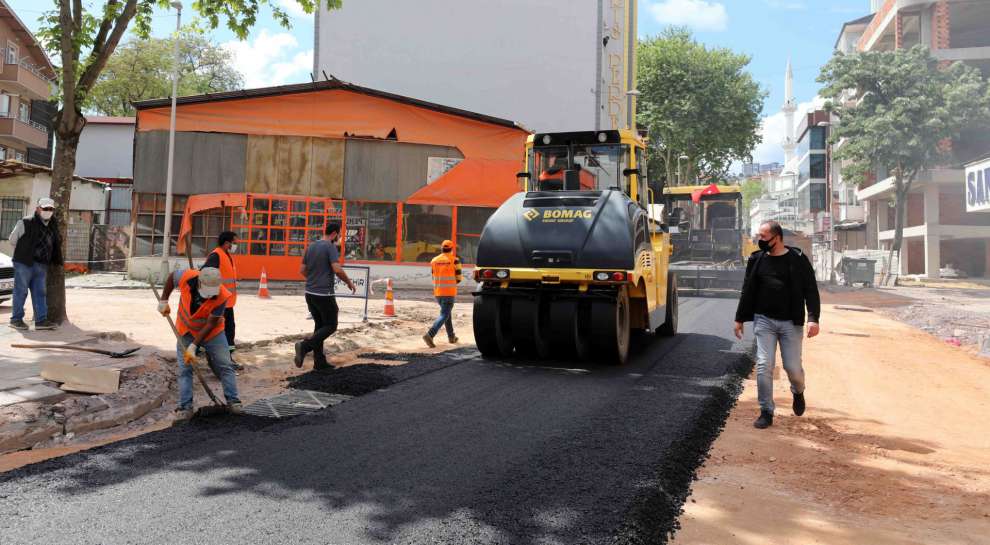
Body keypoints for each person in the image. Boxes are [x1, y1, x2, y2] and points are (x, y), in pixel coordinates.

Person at [734, 220, 820, 429]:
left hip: (791, 322)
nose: (759, 241)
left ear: (777, 238)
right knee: (764, 365)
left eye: (763, 237)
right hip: (764, 321)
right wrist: (739, 318)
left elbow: (810, 290)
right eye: (759, 236)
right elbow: (748, 290)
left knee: (793, 368)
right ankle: (766, 411)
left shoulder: (798, 260)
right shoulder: (756, 260)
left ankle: (798, 392)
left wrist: (813, 319)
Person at [158, 266, 242, 421]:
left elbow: (210, 324)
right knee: (185, 370)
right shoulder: (187, 277)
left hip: (213, 333)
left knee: (225, 365)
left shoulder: (222, 295)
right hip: (185, 331)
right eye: (208, 292)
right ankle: (185, 407)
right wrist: (164, 299)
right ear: (200, 283)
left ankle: (233, 401)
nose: (210, 296)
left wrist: (194, 346)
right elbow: (171, 277)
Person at [295, 222, 355, 370]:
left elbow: (302, 270)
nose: (340, 237)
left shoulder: (311, 246)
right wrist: (348, 282)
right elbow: (337, 269)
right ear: (334, 233)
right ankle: (304, 346)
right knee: (331, 325)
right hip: (324, 294)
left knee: (320, 327)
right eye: (340, 234)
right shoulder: (330, 246)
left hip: (310, 294)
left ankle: (319, 362)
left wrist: (314, 279)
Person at [7, 197, 62, 331]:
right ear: (38, 209)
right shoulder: (25, 222)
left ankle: (41, 321)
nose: (48, 211)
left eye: (50, 209)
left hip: (42, 265)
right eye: (45, 208)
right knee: (21, 291)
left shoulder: (53, 225)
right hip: (24, 264)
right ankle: (16, 320)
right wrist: (24, 252)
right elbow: (12, 240)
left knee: (40, 293)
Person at [202, 231, 242, 370]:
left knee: (229, 331)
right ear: (227, 243)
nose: (236, 245)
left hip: (228, 303)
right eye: (234, 243)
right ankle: (220, 362)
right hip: (220, 303)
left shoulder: (227, 255)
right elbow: (205, 273)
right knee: (220, 333)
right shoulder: (216, 255)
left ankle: (228, 360)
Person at [423, 239, 462, 348]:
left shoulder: (434, 260)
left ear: (441, 248)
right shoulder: (455, 260)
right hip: (449, 292)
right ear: (452, 249)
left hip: (438, 292)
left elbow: (433, 276)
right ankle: (430, 334)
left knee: (446, 314)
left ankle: (451, 337)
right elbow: (458, 278)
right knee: (444, 314)